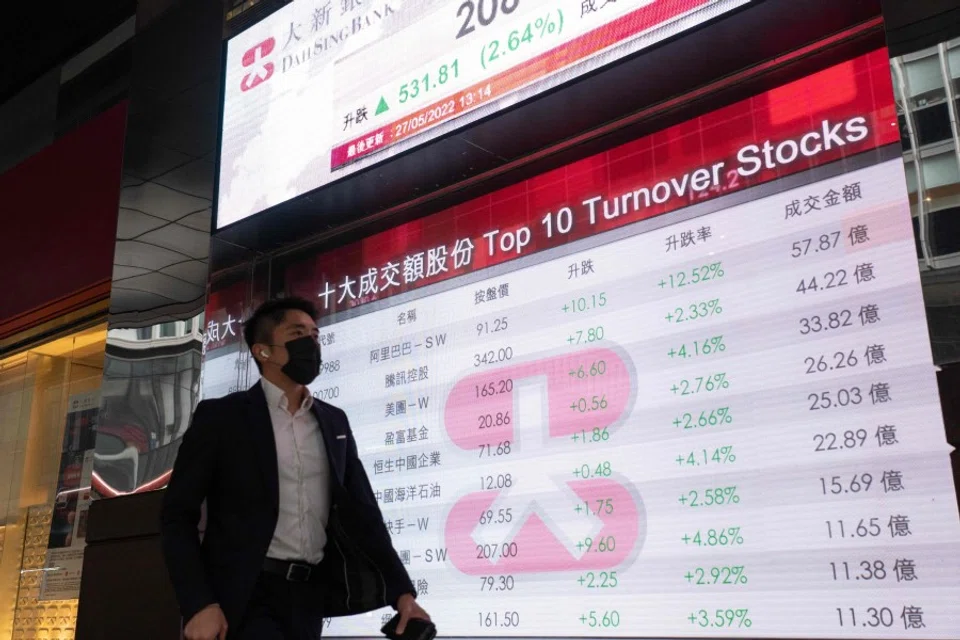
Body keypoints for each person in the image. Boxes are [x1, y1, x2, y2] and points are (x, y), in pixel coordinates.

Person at [161, 297, 430, 640]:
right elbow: (176, 517)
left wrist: (402, 595)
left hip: (307, 597)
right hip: (243, 595)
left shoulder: (334, 422)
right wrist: (198, 603)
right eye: (298, 333)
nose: (312, 344)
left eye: (316, 336)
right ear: (264, 351)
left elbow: (364, 516)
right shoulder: (222, 418)